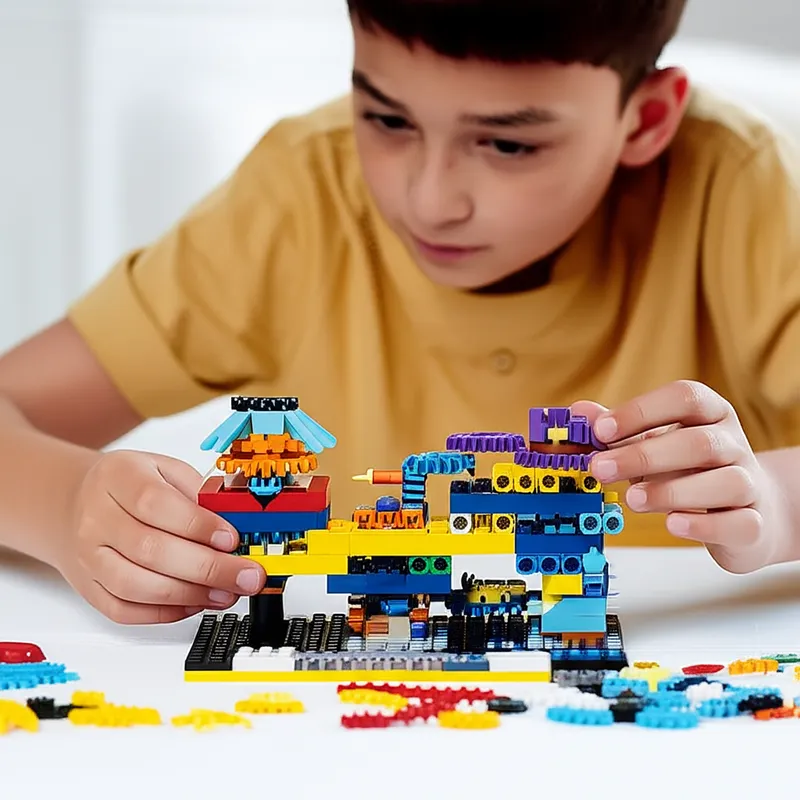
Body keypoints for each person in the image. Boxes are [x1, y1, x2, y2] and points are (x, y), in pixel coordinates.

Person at [0, 0, 798, 626]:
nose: (429, 199)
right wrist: (65, 504)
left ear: (646, 120)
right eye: (388, 120)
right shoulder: (297, 200)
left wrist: (776, 499)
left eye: (508, 145)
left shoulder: (739, 190)